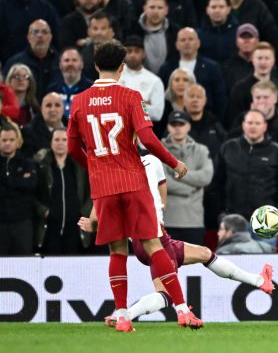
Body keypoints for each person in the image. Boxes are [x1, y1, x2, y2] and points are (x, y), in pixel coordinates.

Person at [66, 40, 201, 331]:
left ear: (96, 66)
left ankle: (123, 316)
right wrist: (174, 163)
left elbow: (72, 147)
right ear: (123, 67)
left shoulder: (78, 101)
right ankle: (181, 310)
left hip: (103, 185)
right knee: (154, 245)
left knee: (117, 251)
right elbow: (148, 140)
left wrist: (94, 165)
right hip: (132, 179)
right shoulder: (130, 96)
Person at [77, 154, 274, 325]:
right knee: (166, 295)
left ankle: (258, 280)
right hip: (152, 237)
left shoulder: (130, 166)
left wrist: (159, 208)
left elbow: (160, 194)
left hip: (151, 236)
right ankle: (127, 315)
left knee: (204, 253)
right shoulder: (146, 162)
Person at [35, 128, 91, 255]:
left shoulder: (80, 165)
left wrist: (83, 213)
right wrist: (44, 212)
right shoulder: (41, 165)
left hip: (75, 230)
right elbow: (32, 195)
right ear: (51, 142)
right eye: (57, 139)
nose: (60, 143)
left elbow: (92, 193)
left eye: (64, 140)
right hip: (49, 229)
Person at [161, 110, 213, 246]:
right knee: (167, 265)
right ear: (168, 127)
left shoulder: (201, 150)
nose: (177, 128)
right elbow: (162, 182)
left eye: (181, 124)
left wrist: (178, 172)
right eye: (174, 124)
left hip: (194, 222)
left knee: (195, 266)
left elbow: (206, 177)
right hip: (167, 221)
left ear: (189, 126)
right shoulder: (158, 150)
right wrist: (191, 187)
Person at [0, 123, 38, 256]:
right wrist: (20, 182)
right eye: (4, 140)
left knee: (24, 260)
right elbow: (24, 185)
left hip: (23, 222)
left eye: (11, 140)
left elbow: (32, 184)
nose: (8, 143)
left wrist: (6, 181)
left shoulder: (26, 163)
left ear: (17, 142)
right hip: (1, 224)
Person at [117, 35, 165, 122]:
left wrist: (125, 104)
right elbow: (111, 106)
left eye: (137, 51)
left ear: (143, 54)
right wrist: (144, 104)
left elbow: (157, 114)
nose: (132, 55)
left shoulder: (154, 80)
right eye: (129, 51)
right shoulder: (115, 77)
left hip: (143, 130)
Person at [46, 48, 93, 119]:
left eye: (74, 60)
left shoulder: (92, 90)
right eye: (66, 60)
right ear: (60, 65)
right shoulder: (51, 90)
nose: (70, 64)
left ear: (82, 64)